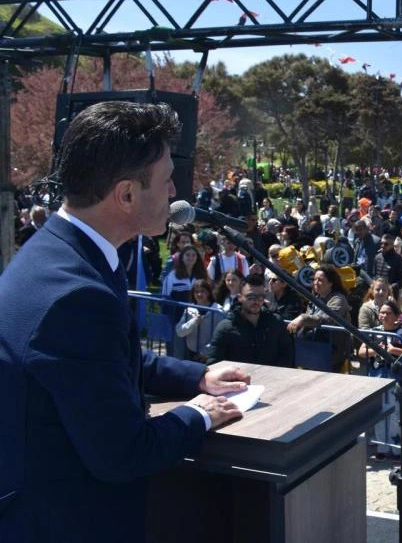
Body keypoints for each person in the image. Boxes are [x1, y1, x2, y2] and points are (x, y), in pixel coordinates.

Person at [0, 101, 249, 541]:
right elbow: (122, 454)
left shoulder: (60, 251)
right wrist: (198, 416)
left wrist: (198, 376)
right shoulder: (76, 296)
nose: (174, 191)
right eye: (167, 178)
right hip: (61, 523)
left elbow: (100, 362)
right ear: (127, 194)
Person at [205, 274, 295, 367]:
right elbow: (214, 362)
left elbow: (287, 355)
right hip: (238, 379)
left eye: (260, 297)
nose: (256, 301)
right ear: (240, 297)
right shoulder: (226, 327)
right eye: (250, 297)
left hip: (270, 379)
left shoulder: (276, 323)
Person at [358, 299, 402, 460]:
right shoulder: (373, 332)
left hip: (395, 378)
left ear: (396, 316)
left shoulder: (401, 333)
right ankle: (382, 447)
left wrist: (393, 350)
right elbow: (361, 352)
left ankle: (396, 447)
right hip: (377, 377)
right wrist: (376, 351)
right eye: (382, 312)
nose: (384, 315)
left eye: (388, 313)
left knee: (394, 413)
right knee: (380, 413)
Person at [286, 264, 353, 373]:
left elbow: (328, 319)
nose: (316, 282)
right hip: (314, 350)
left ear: (331, 283)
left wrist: (303, 318)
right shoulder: (315, 298)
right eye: (315, 279)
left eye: (320, 280)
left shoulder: (338, 299)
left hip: (332, 353)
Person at [175, 279, 225, 361]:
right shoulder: (189, 309)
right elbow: (179, 331)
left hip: (210, 355)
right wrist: (193, 322)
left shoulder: (218, 311)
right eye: (196, 292)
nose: (199, 294)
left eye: (203, 291)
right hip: (191, 353)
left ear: (208, 292)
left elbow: (219, 337)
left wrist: (204, 352)